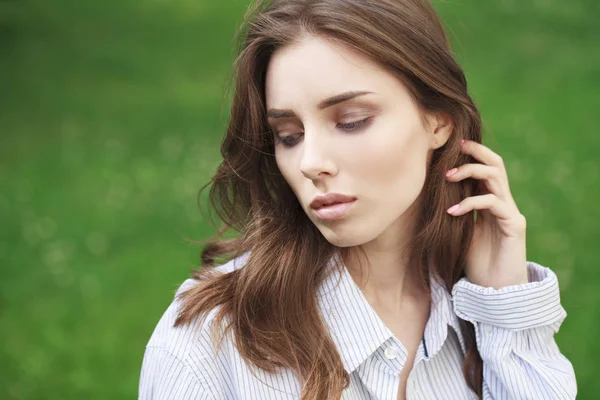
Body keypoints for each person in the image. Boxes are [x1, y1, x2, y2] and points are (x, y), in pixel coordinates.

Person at [138, 0, 577, 398]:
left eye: (351, 121)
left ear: (437, 123)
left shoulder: (479, 313)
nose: (310, 161)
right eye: (288, 136)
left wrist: (507, 310)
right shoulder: (208, 341)